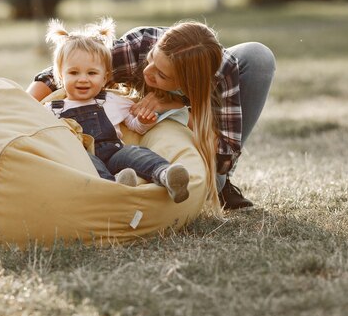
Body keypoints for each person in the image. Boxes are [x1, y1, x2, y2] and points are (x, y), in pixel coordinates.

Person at [28, 19, 276, 212]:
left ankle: (196, 181)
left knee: (258, 55)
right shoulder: (140, 45)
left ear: (188, 84)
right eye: (152, 60)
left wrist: (176, 105)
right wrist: (19, 107)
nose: (147, 71)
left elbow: (224, 156)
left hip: (191, 117)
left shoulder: (222, 72)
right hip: (106, 149)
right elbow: (59, 72)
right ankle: (113, 188)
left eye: (162, 75)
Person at [43, 18, 190, 203]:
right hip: (83, 159)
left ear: (105, 78)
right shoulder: (52, 110)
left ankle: (166, 174)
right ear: (60, 76)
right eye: (73, 73)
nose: (83, 79)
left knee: (136, 152)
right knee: (90, 164)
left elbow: (133, 125)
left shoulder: (112, 100)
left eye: (91, 73)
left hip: (115, 153)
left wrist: (144, 122)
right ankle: (116, 188)